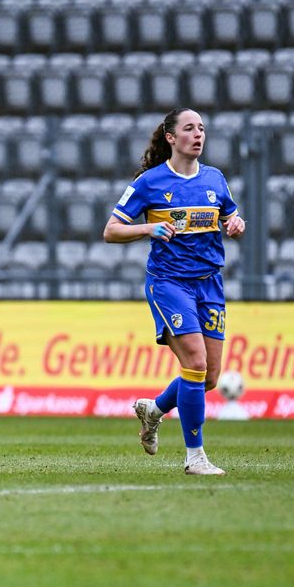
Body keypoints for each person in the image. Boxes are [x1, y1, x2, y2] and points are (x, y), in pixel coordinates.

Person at [102, 107, 245, 476]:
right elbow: (112, 230)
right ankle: (195, 457)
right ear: (171, 137)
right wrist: (147, 229)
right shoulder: (150, 182)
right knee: (194, 363)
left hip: (209, 283)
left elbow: (228, 215)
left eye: (202, 128)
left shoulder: (215, 179)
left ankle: (154, 410)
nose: (198, 135)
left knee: (209, 377)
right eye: (189, 129)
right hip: (169, 283)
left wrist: (234, 223)